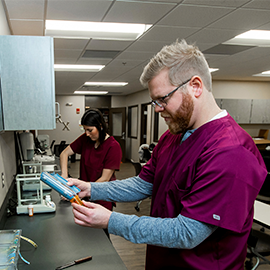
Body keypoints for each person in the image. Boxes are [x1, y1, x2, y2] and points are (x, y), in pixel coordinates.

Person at [67, 40, 267, 269]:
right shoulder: (174, 135)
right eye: (155, 101)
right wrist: (92, 188)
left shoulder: (231, 152)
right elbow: (143, 184)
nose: (157, 109)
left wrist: (111, 220)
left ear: (195, 86)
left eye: (163, 99)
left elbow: (187, 232)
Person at [60, 108, 122, 211]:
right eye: (85, 130)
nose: (87, 134)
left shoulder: (113, 147)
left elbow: (104, 179)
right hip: (84, 196)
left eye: (90, 130)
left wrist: (80, 192)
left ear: (101, 126)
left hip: (102, 198)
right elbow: (64, 153)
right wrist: (64, 176)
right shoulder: (86, 139)